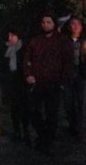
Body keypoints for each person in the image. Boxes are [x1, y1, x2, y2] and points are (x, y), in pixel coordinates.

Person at [24, 13, 74, 155]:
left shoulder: (62, 41)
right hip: (38, 82)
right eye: (43, 22)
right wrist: (28, 74)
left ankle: (48, 140)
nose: (45, 25)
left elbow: (68, 61)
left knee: (51, 112)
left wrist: (63, 80)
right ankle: (43, 134)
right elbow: (27, 57)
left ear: (54, 24)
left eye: (48, 22)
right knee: (34, 110)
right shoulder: (36, 40)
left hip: (54, 82)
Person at [2, 27, 30, 144]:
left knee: (24, 109)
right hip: (12, 83)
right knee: (14, 110)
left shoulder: (23, 49)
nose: (10, 38)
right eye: (9, 36)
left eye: (12, 36)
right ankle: (17, 132)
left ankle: (26, 132)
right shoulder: (7, 50)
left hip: (22, 83)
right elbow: (4, 67)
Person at [61, 16, 86, 142]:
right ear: (69, 26)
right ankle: (72, 125)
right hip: (67, 75)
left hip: (81, 75)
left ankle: (80, 129)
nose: (75, 26)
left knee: (80, 103)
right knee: (68, 103)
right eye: (73, 24)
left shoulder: (84, 41)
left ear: (82, 27)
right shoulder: (64, 41)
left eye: (78, 24)